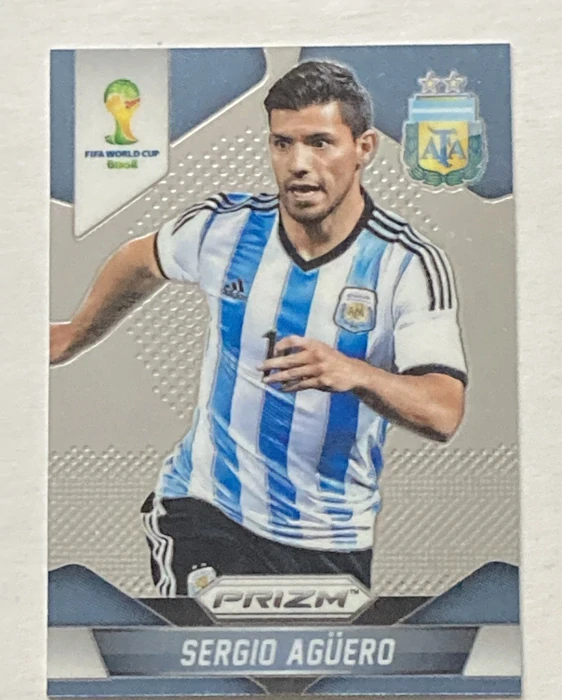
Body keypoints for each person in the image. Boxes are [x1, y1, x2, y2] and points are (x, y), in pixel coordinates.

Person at [50, 60, 467, 597]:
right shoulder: (224, 229)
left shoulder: (406, 264)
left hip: (330, 533)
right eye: (282, 143)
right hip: (207, 508)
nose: (298, 164)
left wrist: (356, 373)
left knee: (305, 657)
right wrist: (75, 333)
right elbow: (141, 259)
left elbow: (443, 411)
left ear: (363, 148)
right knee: (214, 643)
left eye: (320, 143)